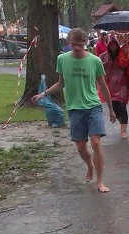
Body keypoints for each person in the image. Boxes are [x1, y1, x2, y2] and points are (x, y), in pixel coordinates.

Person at [32, 27, 116, 193]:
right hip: (75, 108)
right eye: (73, 45)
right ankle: (90, 166)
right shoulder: (62, 59)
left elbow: (103, 85)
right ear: (68, 44)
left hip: (93, 106)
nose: (76, 48)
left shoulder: (95, 61)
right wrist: (44, 93)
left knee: (96, 142)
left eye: (79, 44)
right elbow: (61, 83)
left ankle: (100, 181)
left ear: (85, 44)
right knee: (81, 148)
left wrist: (111, 109)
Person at [100, 35, 129, 139]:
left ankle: (123, 129)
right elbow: (99, 69)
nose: (113, 46)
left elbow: (125, 65)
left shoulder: (122, 55)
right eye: (111, 44)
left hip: (122, 84)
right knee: (114, 107)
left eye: (115, 44)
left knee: (122, 106)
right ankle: (121, 122)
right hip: (110, 85)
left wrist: (126, 53)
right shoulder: (104, 56)